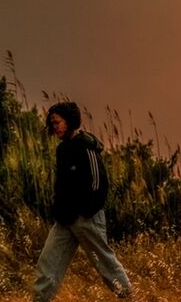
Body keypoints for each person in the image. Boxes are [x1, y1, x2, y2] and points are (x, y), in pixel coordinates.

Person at [32, 102, 132, 301]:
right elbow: (61, 185)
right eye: (52, 123)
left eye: (57, 122)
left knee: (105, 263)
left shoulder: (86, 145)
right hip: (64, 220)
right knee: (47, 264)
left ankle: (128, 296)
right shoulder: (62, 150)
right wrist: (59, 210)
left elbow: (99, 184)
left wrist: (86, 212)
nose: (54, 127)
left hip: (87, 219)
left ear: (70, 121)